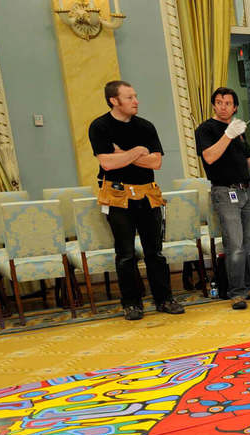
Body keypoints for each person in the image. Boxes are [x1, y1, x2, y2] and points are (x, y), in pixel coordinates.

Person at [88, 80, 184, 321]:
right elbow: (107, 163)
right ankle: (131, 303)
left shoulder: (146, 126)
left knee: (155, 251)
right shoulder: (99, 126)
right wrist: (138, 151)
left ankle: (164, 299)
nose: (136, 101)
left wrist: (123, 155)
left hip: (147, 194)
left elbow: (156, 162)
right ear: (114, 100)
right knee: (126, 253)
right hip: (117, 195)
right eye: (129, 97)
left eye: (135, 96)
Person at [195, 87, 250, 310]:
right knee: (234, 243)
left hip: (244, 189)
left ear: (235, 107)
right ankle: (236, 292)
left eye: (228, 103)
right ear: (214, 105)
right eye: (219, 102)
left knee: (247, 241)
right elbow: (209, 157)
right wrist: (228, 135)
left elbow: (244, 162)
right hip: (225, 192)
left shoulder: (237, 130)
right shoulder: (206, 129)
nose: (223, 106)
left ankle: (248, 286)